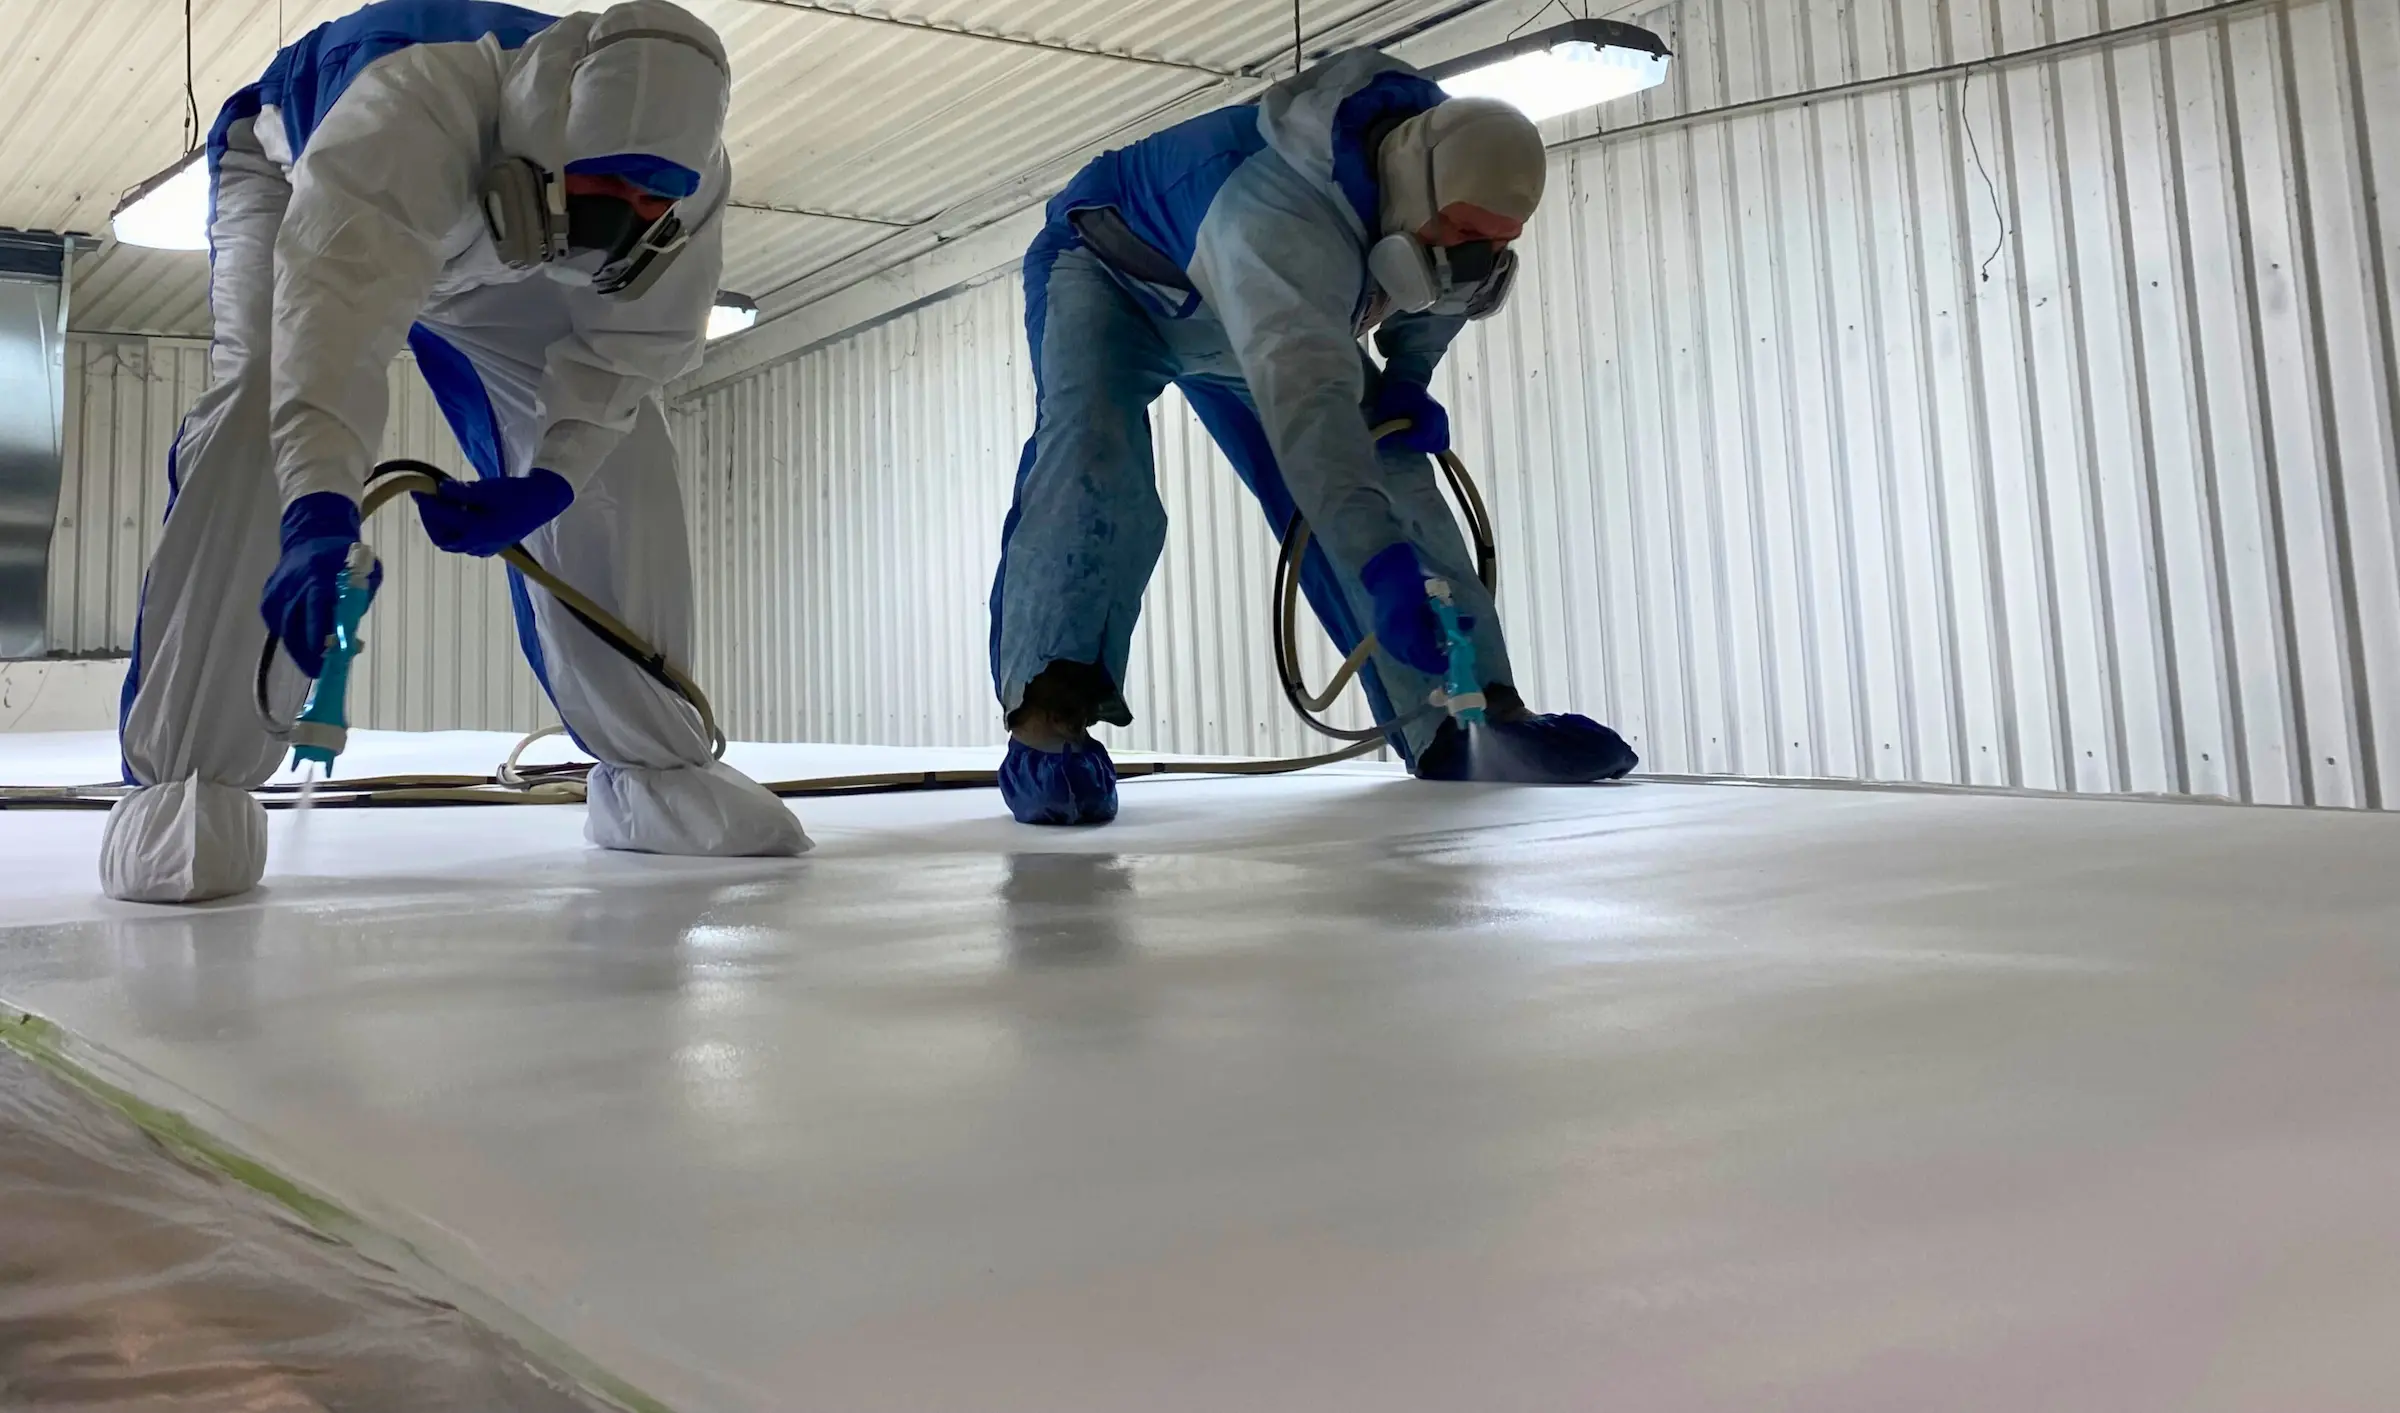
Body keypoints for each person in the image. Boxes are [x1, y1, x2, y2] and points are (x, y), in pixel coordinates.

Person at [105, 0, 808, 904]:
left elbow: (625, 357)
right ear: (554, 140)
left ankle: (657, 773)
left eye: (652, 198)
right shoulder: (411, 113)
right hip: (302, 169)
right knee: (258, 403)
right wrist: (318, 510)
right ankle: (186, 790)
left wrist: (553, 478)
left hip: (512, 232)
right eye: (613, 187)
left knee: (624, 452)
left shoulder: (688, 184)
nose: (629, 217)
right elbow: (331, 339)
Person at [989, 49, 1639, 826]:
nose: (1478, 255)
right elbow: (1316, 430)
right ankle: (1048, 721)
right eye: (1468, 232)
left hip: (1255, 308)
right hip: (1114, 274)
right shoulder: (1278, 219)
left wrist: (1408, 380)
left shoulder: (1438, 177)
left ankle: (1470, 718)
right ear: (1417, 187)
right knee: (1095, 457)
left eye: (1498, 242)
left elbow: (1441, 288)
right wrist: (1384, 565)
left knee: (1391, 453)